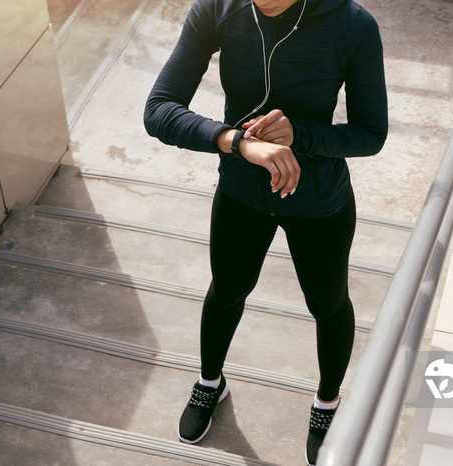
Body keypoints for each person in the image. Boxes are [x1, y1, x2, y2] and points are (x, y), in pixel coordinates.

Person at [144, 0, 387, 462]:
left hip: (319, 201)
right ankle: (210, 382)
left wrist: (301, 135)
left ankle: (327, 402)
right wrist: (236, 142)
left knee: (328, 304)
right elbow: (159, 109)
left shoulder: (351, 25)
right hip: (240, 191)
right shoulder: (218, 9)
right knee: (228, 290)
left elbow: (371, 133)